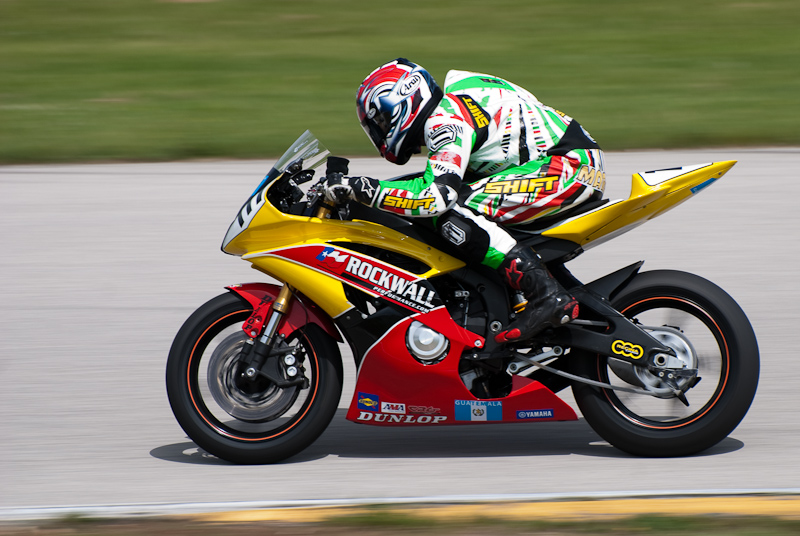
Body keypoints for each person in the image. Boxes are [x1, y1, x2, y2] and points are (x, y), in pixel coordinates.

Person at [325, 58, 606, 343]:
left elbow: (435, 198)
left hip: (567, 169)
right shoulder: (458, 98)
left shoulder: (445, 121)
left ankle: (546, 295)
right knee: (427, 191)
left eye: (382, 121)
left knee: (447, 208)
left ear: (404, 102)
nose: (381, 131)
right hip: (568, 164)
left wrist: (362, 189)